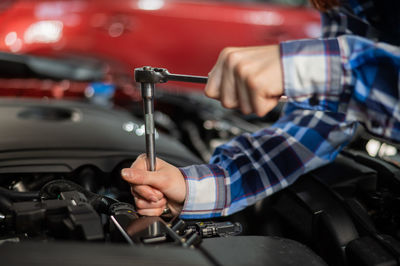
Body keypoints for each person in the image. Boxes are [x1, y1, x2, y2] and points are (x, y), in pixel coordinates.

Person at [121, 0, 400, 219]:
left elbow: (346, 81)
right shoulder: (351, 4)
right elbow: (322, 120)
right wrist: (200, 187)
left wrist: (311, 69)